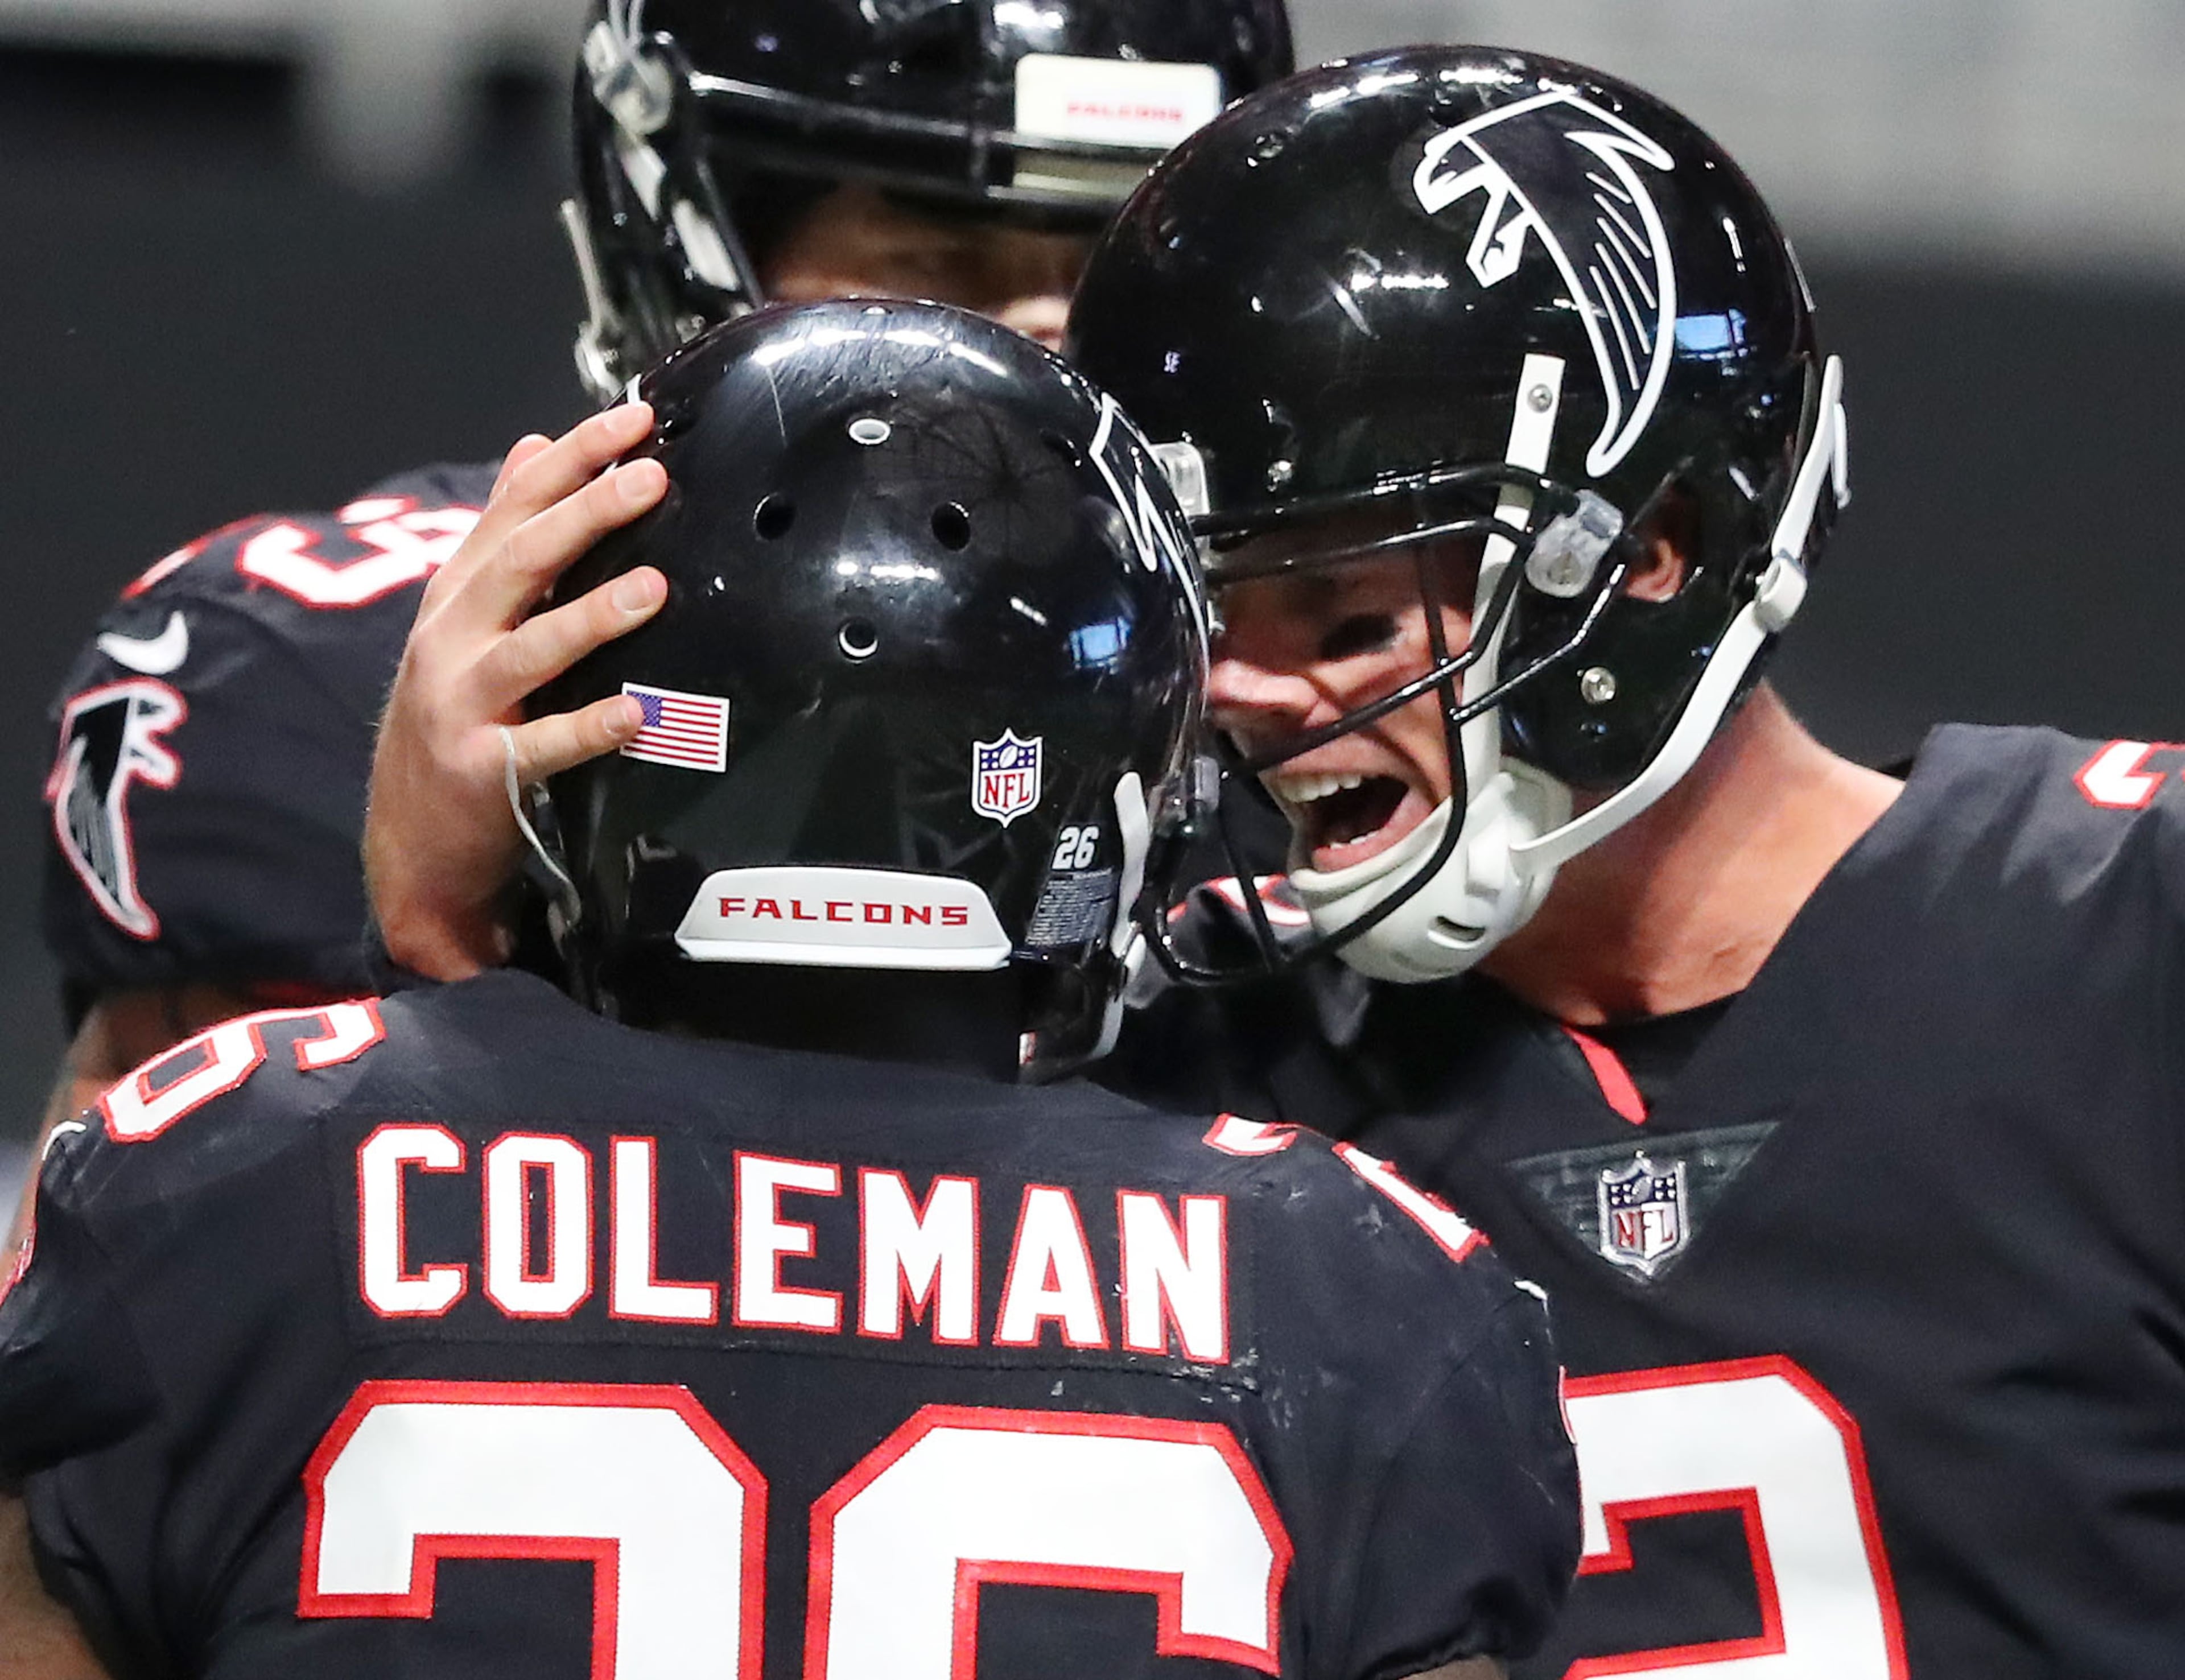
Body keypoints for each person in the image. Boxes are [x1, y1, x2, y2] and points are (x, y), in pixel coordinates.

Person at [365, 45, 2185, 1678]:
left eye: (1332, 604)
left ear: (1652, 553)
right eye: (1211, 608)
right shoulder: (1137, 1039)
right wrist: (452, 919)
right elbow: (623, 1326)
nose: (1235, 691)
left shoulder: (2125, 935)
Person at [0, 299, 1577, 1680]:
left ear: (569, 752)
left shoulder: (223, 1189)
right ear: (1117, 782)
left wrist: (431, 943)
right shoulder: (1364, 1293)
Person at [31, 0, 1294, 1152]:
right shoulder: (303, 679)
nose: (1040, 363)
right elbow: (155, 1321)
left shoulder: (1327, 692)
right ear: (676, 245)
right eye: (930, 274)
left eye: (1113, 274)